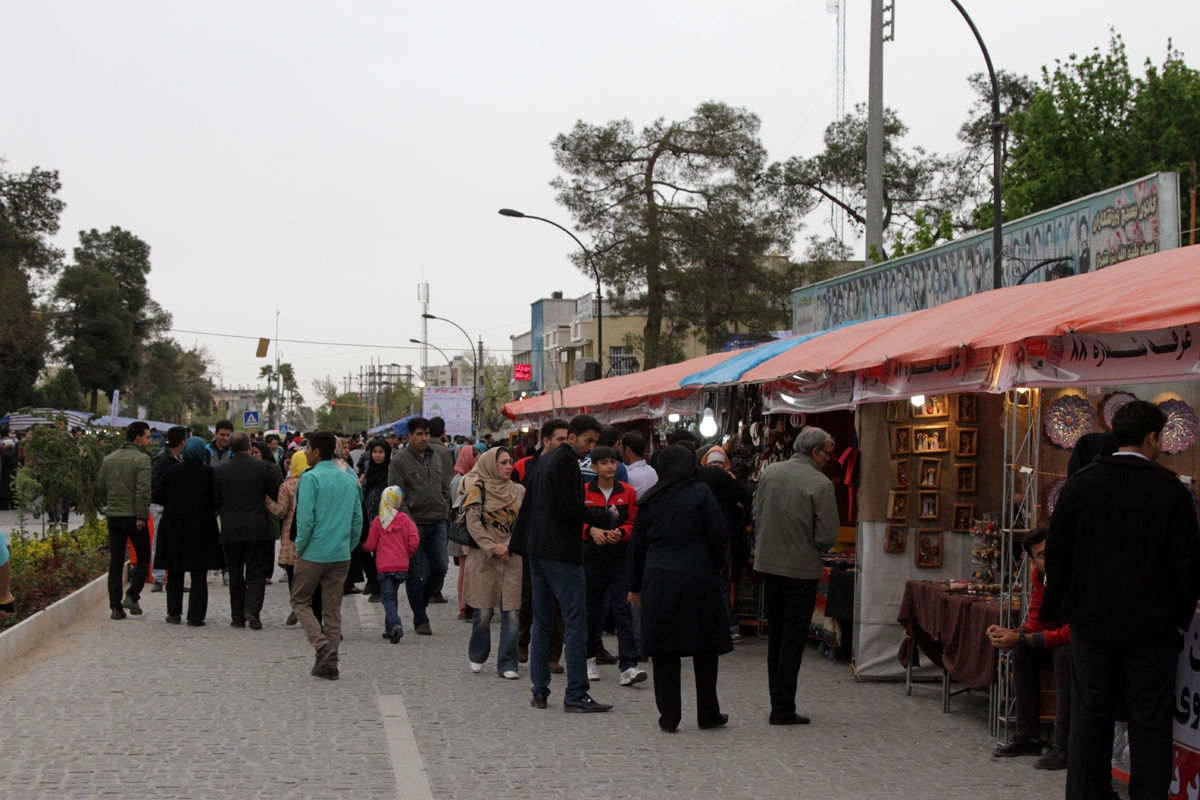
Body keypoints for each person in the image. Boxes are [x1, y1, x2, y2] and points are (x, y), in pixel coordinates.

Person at [1046, 400, 1200, 800]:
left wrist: (1071, 609)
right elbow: (1187, 565)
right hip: (1153, 630)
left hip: (1092, 626)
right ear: (1152, 438)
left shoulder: (1079, 486)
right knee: (1149, 722)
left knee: (1090, 717)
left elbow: (1056, 557)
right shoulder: (1171, 491)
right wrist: (1178, 620)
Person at [510, 414, 616, 712]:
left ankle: (540, 690)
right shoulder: (566, 461)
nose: (592, 448)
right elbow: (571, 507)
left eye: (595, 442)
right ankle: (576, 693)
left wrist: (523, 545)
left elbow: (532, 506)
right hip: (559, 553)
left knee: (543, 622)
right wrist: (606, 516)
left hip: (538, 550)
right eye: (589, 441)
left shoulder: (545, 459)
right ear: (572, 437)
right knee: (575, 621)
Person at [627, 444, 732, 732]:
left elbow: (637, 547)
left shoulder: (650, 499)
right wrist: (716, 567)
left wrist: (634, 584)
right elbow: (718, 535)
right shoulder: (700, 493)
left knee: (664, 651)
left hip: (659, 579)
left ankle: (669, 717)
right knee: (705, 648)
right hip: (698, 576)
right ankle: (708, 713)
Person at [752, 426, 840, 725]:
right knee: (792, 637)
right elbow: (827, 535)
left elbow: (758, 513)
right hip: (800, 568)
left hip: (769, 564)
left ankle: (778, 701)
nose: (828, 459)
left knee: (777, 634)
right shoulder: (820, 483)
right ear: (814, 452)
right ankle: (782, 707)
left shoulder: (770, 473)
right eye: (827, 453)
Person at [987, 529, 1072, 769]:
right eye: (1042, 555)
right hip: (1061, 638)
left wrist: (1024, 637)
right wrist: (1015, 634)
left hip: (1082, 644)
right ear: (1033, 561)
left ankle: (1064, 746)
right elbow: (1038, 619)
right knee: (1022, 651)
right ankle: (1029, 736)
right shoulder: (1040, 576)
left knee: (1063, 654)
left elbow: (1074, 632)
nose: (1049, 558)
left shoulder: (1074, 572)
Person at [291, 431, 363, 681]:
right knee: (332, 610)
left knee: (299, 601)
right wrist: (348, 545)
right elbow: (357, 518)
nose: (305, 452)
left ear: (316, 451)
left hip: (314, 552)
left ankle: (321, 645)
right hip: (340, 553)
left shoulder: (310, 478)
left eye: (307, 448)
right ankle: (331, 665)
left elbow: (305, 519)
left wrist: (300, 547)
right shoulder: (348, 478)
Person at [581, 446, 645, 686]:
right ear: (594, 467)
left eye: (613, 462)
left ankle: (628, 665)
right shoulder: (584, 491)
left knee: (623, 611)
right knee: (591, 611)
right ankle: (588, 658)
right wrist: (591, 531)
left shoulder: (628, 492)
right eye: (604, 462)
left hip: (619, 559)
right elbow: (573, 521)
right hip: (591, 559)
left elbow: (635, 522)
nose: (610, 466)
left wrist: (622, 532)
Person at [462, 447, 526, 678]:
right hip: (484, 557)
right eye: (503, 462)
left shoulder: (518, 491)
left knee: (511, 612)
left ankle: (508, 663)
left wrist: (508, 545)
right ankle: (477, 654)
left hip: (511, 556)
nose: (509, 467)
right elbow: (473, 524)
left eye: (510, 462)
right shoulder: (477, 490)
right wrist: (493, 547)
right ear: (490, 464)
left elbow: (523, 522)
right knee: (483, 611)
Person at [387, 417, 451, 636]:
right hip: (413, 523)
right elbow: (397, 495)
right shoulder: (400, 461)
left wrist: (444, 506)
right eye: (419, 434)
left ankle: (420, 602)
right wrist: (408, 522)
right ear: (410, 436)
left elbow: (444, 487)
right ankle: (420, 618)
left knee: (440, 567)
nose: (424, 438)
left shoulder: (436, 457)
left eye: (426, 434)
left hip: (438, 520)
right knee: (414, 574)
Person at [212, 432, 282, 630]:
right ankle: (253, 610)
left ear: (230, 449)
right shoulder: (263, 468)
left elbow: (216, 500)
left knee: (235, 573)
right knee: (256, 571)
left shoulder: (220, 471)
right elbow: (274, 493)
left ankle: (237, 616)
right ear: (250, 447)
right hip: (256, 527)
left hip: (231, 528)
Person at [151, 437, 223, 626]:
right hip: (202, 528)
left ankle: (174, 613)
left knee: (175, 571)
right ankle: (195, 617)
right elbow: (217, 501)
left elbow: (157, 495)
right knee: (199, 574)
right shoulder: (209, 473)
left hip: (174, 526)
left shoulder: (171, 471)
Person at [513, 419, 568, 670]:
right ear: (546, 441)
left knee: (558, 601)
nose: (564, 444)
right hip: (531, 541)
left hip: (559, 543)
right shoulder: (524, 466)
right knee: (527, 597)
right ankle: (521, 642)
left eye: (567, 439)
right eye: (560, 439)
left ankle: (552, 655)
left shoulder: (571, 467)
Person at [97, 421, 153, 620]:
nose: (149, 441)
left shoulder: (109, 458)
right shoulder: (142, 459)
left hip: (114, 517)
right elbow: (143, 490)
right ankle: (132, 595)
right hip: (134, 517)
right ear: (138, 438)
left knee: (116, 562)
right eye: (147, 437)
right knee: (144, 557)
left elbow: (100, 485)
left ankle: (115, 607)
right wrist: (141, 516)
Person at [698, 443, 753, 644]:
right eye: (713, 463)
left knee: (716, 584)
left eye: (720, 464)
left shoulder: (702, 479)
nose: (716, 467)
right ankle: (729, 627)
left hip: (714, 538)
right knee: (719, 584)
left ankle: (724, 627)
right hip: (720, 538)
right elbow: (743, 498)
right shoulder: (727, 481)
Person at [267, 450, 319, 626]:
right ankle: (311, 604)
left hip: (291, 535)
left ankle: (297, 605)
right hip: (313, 533)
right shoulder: (316, 480)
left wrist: (268, 502)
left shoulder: (287, 486)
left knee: (292, 573)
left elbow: (281, 511)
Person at [363, 486, 419, 643]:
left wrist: (362, 547)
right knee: (392, 595)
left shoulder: (379, 521)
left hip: (384, 566)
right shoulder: (405, 520)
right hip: (401, 565)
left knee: (387, 597)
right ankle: (389, 629)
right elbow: (414, 540)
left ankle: (395, 626)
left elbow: (371, 545)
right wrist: (406, 554)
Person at [149, 425, 189, 592]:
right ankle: (158, 579)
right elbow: (155, 482)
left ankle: (173, 579)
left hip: (171, 506)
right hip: (162, 506)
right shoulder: (164, 459)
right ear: (182, 441)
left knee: (172, 541)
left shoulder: (174, 458)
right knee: (159, 540)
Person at [356, 438, 391, 602]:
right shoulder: (367, 469)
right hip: (367, 514)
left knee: (379, 553)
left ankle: (378, 588)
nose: (377, 455)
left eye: (381, 452)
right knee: (362, 548)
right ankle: (372, 578)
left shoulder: (391, 471)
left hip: (383, 518)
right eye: (375, 452)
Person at [618, 430, 658, 499]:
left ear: (627, 450)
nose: (620, 454)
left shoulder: (627, 475)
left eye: (621, 449)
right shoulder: (652, 471)